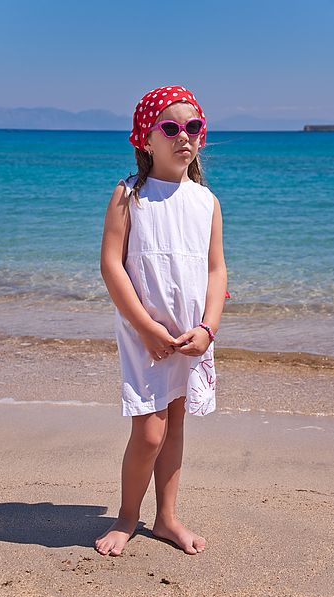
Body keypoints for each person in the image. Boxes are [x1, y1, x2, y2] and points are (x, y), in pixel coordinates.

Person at [95, 85, 228, 557]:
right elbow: (112, 266)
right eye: (169, 127)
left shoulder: (206, 202)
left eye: (193, 127)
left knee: (175, 424)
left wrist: (209, 328)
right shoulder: (129, 195)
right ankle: (128, 517)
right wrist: (147, 328)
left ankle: (166, 518)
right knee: (149, 431)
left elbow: (216, 270)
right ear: (145, 138)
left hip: (191, 335)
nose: (183, 136)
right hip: (144, 333)